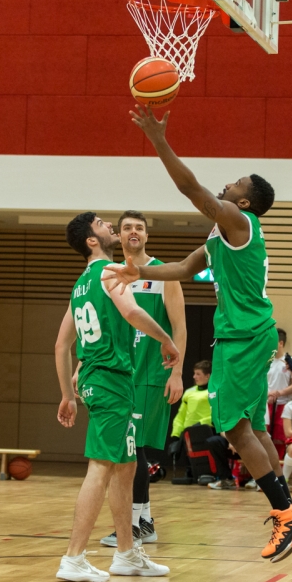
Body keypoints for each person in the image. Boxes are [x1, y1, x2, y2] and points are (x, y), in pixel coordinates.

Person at [104, 105, 292, 563]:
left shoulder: (239, 224)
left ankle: (286, 512)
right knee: (253, 428)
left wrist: (158, 139)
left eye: (237, 184)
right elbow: (178, 269)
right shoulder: (220, 239)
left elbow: (190, 188)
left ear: (244, 202)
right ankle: (287, 509)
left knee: (234, 429)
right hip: (247, 335)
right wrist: (134, 268)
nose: (228, 183)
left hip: (242, 336)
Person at [54, 212, 179, 582]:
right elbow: (133, 312)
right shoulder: (108, 273)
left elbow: (62, 344)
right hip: (110, 379)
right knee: (102, 466)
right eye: (102, 225)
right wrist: (167, 341)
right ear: (92, 240)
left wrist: (67, 394)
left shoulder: (80, 285)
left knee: (126, 467)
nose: (110, 226)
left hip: (101, 379)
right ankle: (73, 558)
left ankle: (127, 553)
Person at [99, 210, 187, 549]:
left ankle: (135, 525)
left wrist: (177, 372)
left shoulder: (163, 274)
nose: (133, 232)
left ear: (147, 236)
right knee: (132, 452)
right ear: (118, 236)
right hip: (120, 375)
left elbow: (179, 327)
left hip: (152, 374)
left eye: (139, 228)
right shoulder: (112, 274)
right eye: (127, 228)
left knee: (134, 452)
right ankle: (144, 521)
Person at [267, 328, 292, 458]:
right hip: (266, 405)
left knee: (279, 438)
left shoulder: (290, 361)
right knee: (264, 437)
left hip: (283, 405)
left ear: (280, 343)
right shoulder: (266, 360)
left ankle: (278, 470)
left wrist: (279, 392)